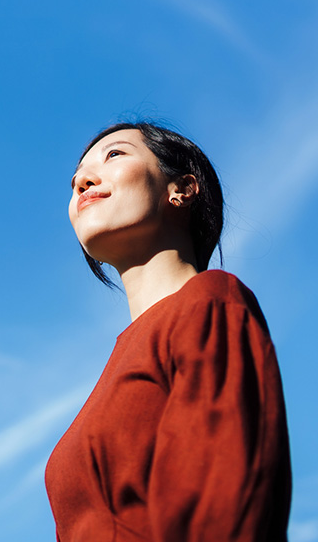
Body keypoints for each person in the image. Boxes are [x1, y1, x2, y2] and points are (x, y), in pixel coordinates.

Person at [45, 122, 292, 541]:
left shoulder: (210, 304)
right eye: (74, 181)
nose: (82, 181)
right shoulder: (115, 369)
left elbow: (225, 509)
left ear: (182, 188)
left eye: (115, 155)